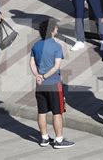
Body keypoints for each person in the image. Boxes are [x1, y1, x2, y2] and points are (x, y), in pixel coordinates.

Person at [30, 19, 75, 149]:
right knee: (57, 112)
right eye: (56, 28)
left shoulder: (36, 46)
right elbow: (56, 67)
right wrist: (44, 76)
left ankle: (44, 138)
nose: (57, 30)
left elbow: (32, 63)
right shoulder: (56, 46)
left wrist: (38, 76)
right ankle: (59, 140)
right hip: (53, 84)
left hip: (40, 85)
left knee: (42, 112)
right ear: (51, 31)